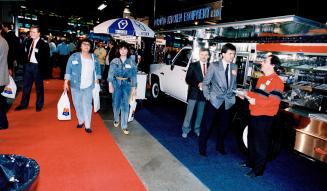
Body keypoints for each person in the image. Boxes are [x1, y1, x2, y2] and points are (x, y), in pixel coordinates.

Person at [238, 54, 284, 177]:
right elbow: (257, 94)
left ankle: (258, 170)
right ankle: (250, 162)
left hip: (265, 117)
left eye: (265, 61)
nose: (262, 63)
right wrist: (245, 93)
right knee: (251, 140)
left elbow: (274, 101)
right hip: (255, 113)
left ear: (272, 65)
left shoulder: (277, 82)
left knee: (261, 144)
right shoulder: (262, 79)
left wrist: (256, 101)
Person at [198, 43, 237, 156]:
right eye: (230, 54)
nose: (232, 56)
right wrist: (208, 96)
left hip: (228, 101)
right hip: (214, 100)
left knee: (224, 126)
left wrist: (236, 92)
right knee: (207, 126)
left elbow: (233, 84)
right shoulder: (214, 66)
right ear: (223, 54)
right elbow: (205, 83)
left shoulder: (234, 66)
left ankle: (220, 146)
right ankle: (202, 147)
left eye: (233, 54)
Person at [64, 38, 101, 133]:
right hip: (75, 85)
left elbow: (98, 68)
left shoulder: (94, 57)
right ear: (80, 46)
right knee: (77, 104)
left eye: (88, 44)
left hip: (89, 85)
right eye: (84, 44)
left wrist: (97, 78)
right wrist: (66, 82)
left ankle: (88, 125)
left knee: (87, 105)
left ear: (90, 46)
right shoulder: (74, 56)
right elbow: (68, 69)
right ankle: (81, 120)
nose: (86, 46)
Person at [15, 26, 50, 112]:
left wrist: (45, 72)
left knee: (39, 87)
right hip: (28, 66)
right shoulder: (27, 41)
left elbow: (46, 59)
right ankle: (23, 104)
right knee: (26, 86)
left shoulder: (44, 44)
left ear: (39, 34)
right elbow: (24, 52)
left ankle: (39, 105)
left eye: (34, 32)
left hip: (37, 67)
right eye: (31, 32)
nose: (32, 34)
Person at [107, 41, 137, 135]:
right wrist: (110, 85)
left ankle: (124, 125)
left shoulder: (131, 62)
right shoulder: (114, 61)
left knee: (125, 105)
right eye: (121, 49)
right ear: (119, 50)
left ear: (127, 50)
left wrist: (134, 88)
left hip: (127, 85)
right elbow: (110, 74)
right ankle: (116, 118)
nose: (123, 51)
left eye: (125, 49)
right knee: (116, 104)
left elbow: (134, 76)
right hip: (116, 84)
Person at [181, 48, 210, 138]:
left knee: (200, 114)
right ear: (199, 55)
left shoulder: (211, 66)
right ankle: (185, 129)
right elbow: (188, 79)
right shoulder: (193, 65)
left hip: (204, 94)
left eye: (206, 55)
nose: (204, 57)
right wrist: (198, 84)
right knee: (189, 113)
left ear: (208, 56)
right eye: (202, 54)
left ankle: (197, 129)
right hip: (193, 93)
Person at [0, 22, 9, 130]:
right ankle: (3, 123)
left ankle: (3, 123)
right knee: (1, 102)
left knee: (1, 103)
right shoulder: (4, 41)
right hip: (2, 75)